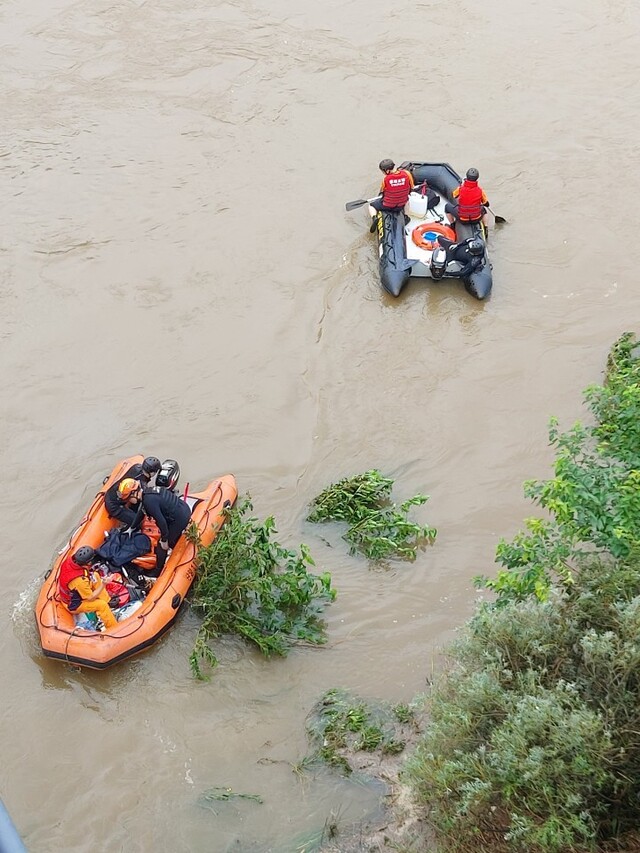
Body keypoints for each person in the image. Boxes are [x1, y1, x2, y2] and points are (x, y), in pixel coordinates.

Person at [57, 545, 118, 630]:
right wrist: (103, 584)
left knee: (95, 576)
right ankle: (113, 628)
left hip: (76, 590)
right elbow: (90, 598)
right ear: (88, 562)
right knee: (101, 605)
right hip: (74, 604)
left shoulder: (69, 561)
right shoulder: (79, 581)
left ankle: (108, 602)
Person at [104, 456, 162, 526]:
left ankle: (132, 511)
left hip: (115, 493)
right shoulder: (141, 483)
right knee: (138, 522)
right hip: (114, 504)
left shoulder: (136, 467)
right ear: (152, 473)